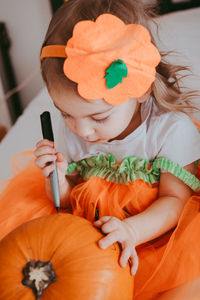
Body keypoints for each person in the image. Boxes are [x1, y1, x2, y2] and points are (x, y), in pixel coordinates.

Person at [1, 0, 200, 299]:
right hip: (94, 236)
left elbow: (176, 202)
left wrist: (130, 232)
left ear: (141, 90)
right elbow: (73, 203)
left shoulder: (170, 130)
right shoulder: (76, 129)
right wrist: (56, 179)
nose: (81, 130)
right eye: (66, 113)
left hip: (158, 237)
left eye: (99, 117)